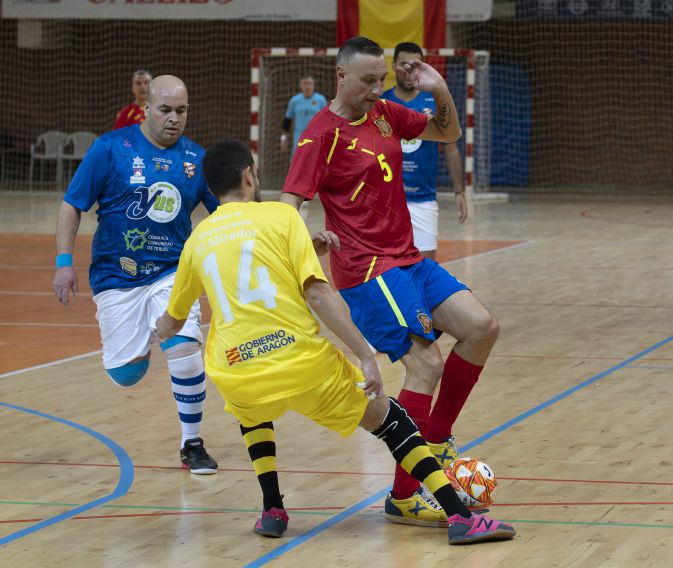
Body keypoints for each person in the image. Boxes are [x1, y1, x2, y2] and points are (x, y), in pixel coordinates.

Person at [154, 140, 515, 544]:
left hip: (235, 365)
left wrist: (160, 330)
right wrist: (365, 355)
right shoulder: (280, 217)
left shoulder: (198, 239)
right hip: (299, 362)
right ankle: (461, 516)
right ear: (249, 176)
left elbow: (174, 318)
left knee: (251, 408)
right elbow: (318, 294)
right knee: (392, 420)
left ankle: (273, 508)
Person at [280, 36, 501, 528]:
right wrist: (302, 248)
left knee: (483, 327)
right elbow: (288, 205)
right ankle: (403, 496)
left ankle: (436, 442)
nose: (378, 89)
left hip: (409, 259)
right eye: (368, 81)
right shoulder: (320, 134)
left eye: (382, 79)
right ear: (341, 77)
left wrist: (440, 88)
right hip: (367, 269)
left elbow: (448, 132)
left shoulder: (384, 113)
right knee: (425, 364)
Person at [52, 75, 219, 474]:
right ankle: (140, 345)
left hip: (172, 272)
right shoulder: (110, 148)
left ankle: (192, 443)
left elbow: (227, 213)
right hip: (116, 275)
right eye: (165, 110)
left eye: (181, 111)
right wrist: (63, 264)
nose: (174, 118)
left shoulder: (196, 159)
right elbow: (72, 204)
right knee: (125, 374)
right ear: (146, 108)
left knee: (184, 351)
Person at [383, 42, 467, 261]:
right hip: (387, 200)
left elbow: (450, 146)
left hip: (423, 199)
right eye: (404, 65)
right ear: (393, 66)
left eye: (414, 64)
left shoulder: (434, 101)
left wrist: (459, 191)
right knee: (388, 265)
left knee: (425, 266)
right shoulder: (381, 102)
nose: (409, 70)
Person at [280, 74, 327, 159]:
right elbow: (287, 120)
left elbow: (327, 120)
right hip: (299, 136)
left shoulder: (320, 100)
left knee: (315, 162)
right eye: (305, 83)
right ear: (301, 85)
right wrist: (283, 138)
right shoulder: (295, 100)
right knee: (297, 162)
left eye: (309, 83)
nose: (307, 86)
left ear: (313, 85)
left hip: (316, 136)